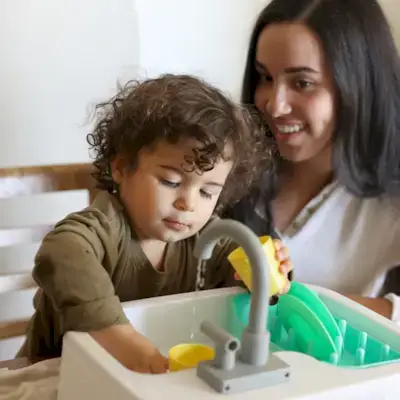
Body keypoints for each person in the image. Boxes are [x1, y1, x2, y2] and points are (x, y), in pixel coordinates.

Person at [17, 74, 293, 373]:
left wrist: (267, 274)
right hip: (56, 375)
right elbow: (61, 252)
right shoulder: (106, 227)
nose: (188, 203)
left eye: (206, 192)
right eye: (171, 181)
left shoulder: (206, 240)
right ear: (122, 168)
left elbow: (242, 269)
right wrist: (122, 338)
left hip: (148, 378)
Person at [222, 0, 400, 324]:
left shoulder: (390, 201)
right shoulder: (227, 165)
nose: (274, 106)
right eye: (265, 78)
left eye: (302, 83)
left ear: (358, 85)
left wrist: (297, 301)